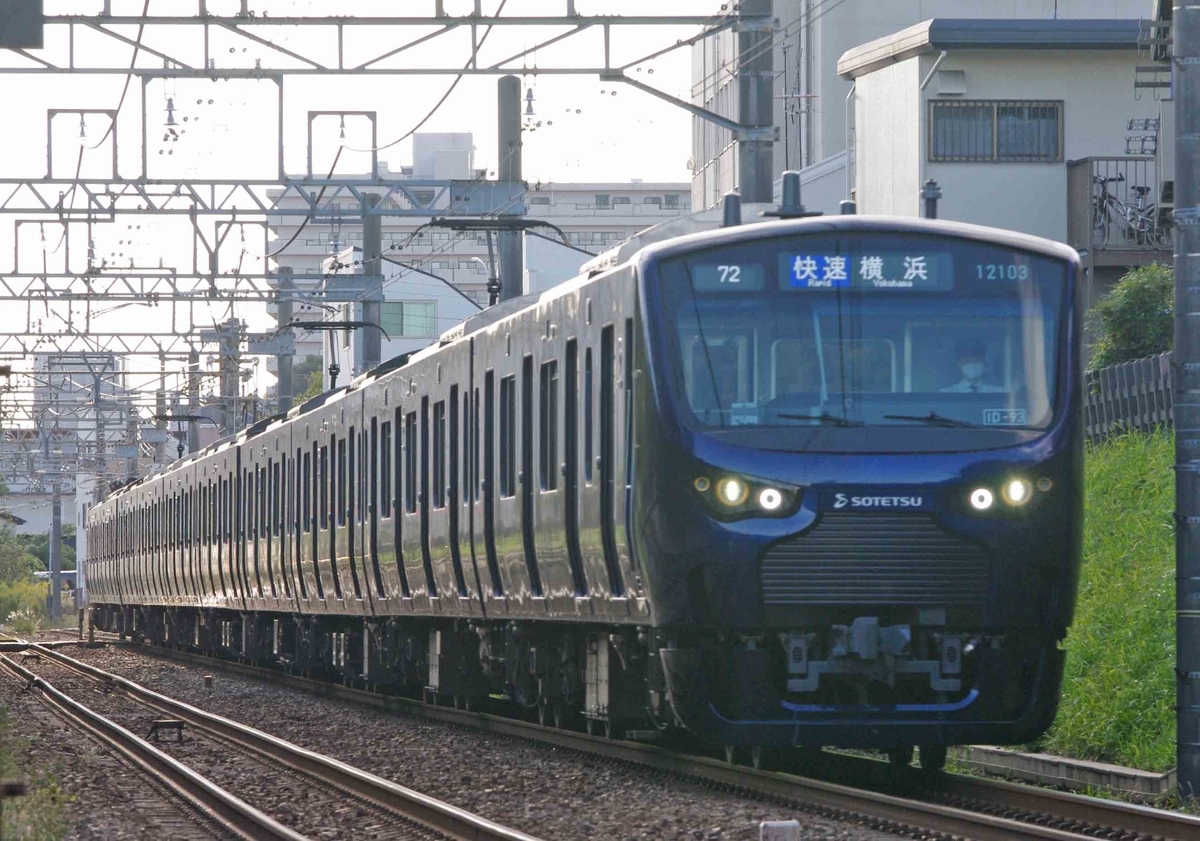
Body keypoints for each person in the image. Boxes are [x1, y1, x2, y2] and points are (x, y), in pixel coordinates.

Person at [941, 339, 1006, 393]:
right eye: (967, 361)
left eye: (977, 360)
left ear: (985, 363)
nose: (972, 364)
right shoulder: (946, 393)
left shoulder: (999, 392)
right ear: (959, 364)